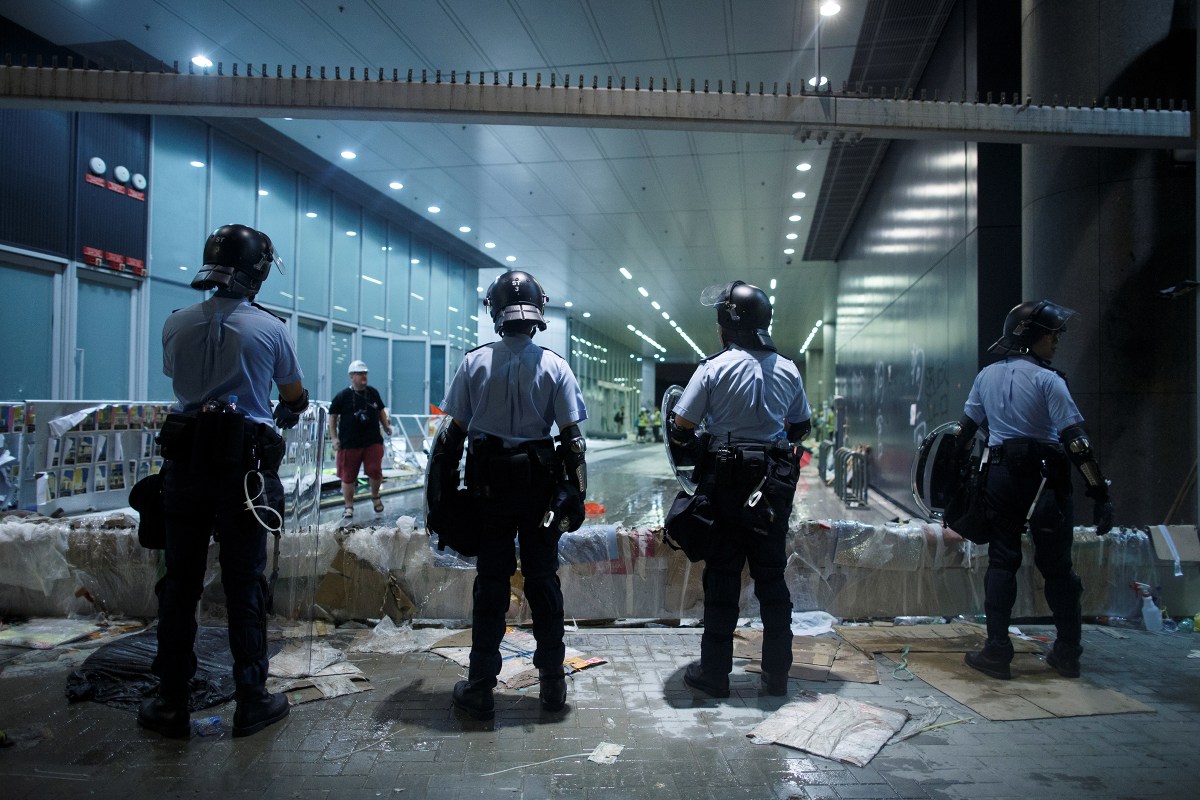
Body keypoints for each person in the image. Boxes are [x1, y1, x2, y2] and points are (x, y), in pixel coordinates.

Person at [139, 224, 309, 739]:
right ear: (258, 271)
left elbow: (179, 379)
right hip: (244, 473)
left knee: (179, 584)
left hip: (184, 466)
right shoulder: (271, 329)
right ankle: (252, 699)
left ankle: (171, 701)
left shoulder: (176, 323)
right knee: (243, 583)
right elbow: (293, 395)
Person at [435, 269, 588, 721]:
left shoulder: (474, 362)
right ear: (538, 312)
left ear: (495, 311)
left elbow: (450, 440)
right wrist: (574, 497)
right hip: (540, 492)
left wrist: (441, 503)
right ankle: (553, 686)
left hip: (489, 491)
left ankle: (481, 686)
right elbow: (572, 441)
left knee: (491, 584)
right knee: (543, 582)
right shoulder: (556, 365)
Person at [668, 280, 811, 697]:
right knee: (771, 577)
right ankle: (777, 674)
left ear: (726, 325)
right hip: (772, 484)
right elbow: (800, 426)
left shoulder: (712, 368)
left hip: (726, 481)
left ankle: (714, 675)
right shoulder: (787, 367)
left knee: (723, 577)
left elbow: (681, 427)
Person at [958, 300, 1114, 681]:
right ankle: (1067, 653)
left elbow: (964, 432)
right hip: (1045, 481)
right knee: (1057, 568)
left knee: (1001, 561)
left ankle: (997, 652)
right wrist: (1099, 493)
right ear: (1031, 337)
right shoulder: (1050, 381)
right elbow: (1076, 441)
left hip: (999, 478)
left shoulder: (987, 376)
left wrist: (956, 490)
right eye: (1051, 334)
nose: (1056, 341)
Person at [329, 360, 392, 518]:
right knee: (348, 476)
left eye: (365, 373)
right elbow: (332, 417)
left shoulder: (373, 393)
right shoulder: (342, 396)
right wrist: (334, 438)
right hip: (349, 443)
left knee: (375, 472)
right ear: (352, 376)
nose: (364, 376)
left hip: (372, 441)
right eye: (360, 373)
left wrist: (386, 426)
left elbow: (381, 411)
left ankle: (375, 496)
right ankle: (348, 505)